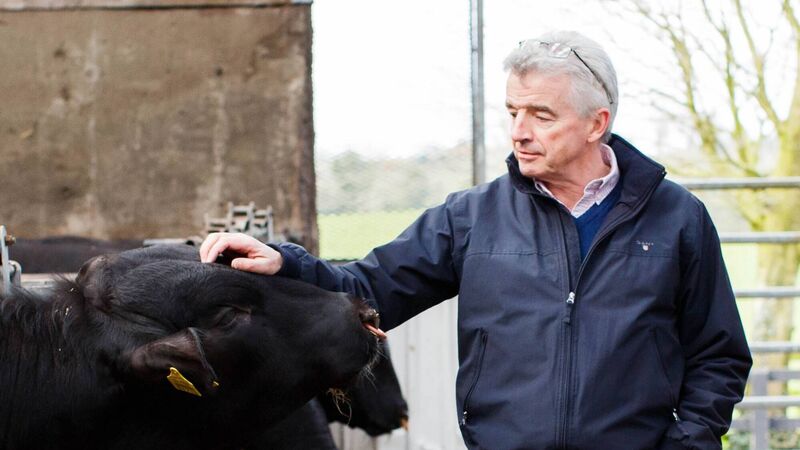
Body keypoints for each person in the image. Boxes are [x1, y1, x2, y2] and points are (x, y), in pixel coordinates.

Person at [200, 30, 751, 450]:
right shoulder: (470, 217)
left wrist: (689, 443)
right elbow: (371, 286)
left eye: (541, 115)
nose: (519, 132)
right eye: (513, 112)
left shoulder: (677, 218)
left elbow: (719, 354)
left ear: (595, 123)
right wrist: (287, 263)